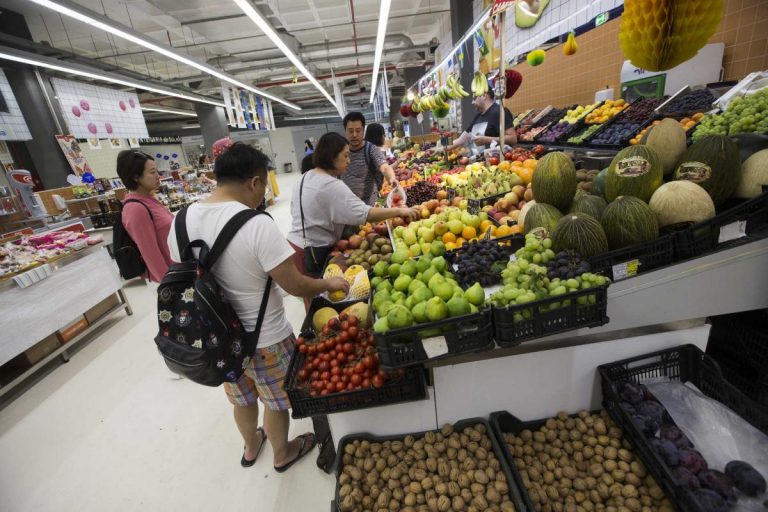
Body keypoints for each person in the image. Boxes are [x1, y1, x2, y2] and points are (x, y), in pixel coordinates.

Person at [167, 143, 349, 472]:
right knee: (275, 402)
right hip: (265, 338)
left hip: (217, 337)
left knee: (241, 397)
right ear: (254, 182)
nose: (263, 193)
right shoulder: (256, 224)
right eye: (264, 185)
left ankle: (251, 446)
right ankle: (282, 453)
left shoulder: (180, 221)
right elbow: (294, 284)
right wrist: (327, 284)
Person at [287, 132, 419, 281]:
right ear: (331, 157)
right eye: (345, 156)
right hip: (313, 252)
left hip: (295, 247)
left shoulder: (305, 177)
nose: (349, 160)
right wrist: (399, 210)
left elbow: (296, 211)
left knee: (309, 292)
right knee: (319, 291)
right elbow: (366, 214)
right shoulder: (331, 185)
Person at [117, 150, 174, 283]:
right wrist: (169, 284)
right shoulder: (136, 209)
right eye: (152, 172)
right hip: (169, 277)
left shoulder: (149, 199)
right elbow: (150, 254)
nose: (158, 176)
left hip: (179, 269)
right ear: (135, 177)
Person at [341, 112, 402, 206]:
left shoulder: (371, 149)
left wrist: (392, 178)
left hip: (369, 206)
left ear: (363, 131)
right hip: (346, 205)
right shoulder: (339, 151)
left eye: (358, 131)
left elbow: (384, 167)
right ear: (345, 131)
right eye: (350, 131)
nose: (354, 135)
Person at [447, 83, 516, 151]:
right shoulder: (477, 117)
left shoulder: (500, 111)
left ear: (484, 95)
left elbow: (513, 139)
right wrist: (444, 146)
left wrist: (488, 140)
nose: (472, 102)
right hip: (480, 158)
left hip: (496, 157)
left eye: (474, 98)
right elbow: (461, 140)